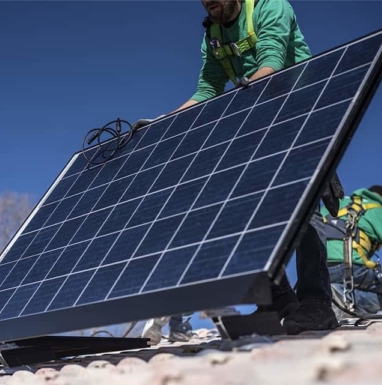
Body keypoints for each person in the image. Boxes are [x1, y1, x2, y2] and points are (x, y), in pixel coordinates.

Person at [140, 0, 340, 342]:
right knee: (251, 210)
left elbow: (272, 63)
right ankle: (277, 300)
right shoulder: (213, 35)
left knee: (304, 211)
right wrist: (167, 124)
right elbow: (208, 89)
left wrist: (239, 108)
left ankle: (317, 302)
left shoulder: (270, 7)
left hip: (301, 115)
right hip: (260, 123)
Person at [323, 185, 382, 316]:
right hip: (351, 268)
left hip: (319, 270)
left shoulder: (331, 207)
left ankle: (324, 296)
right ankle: (340, 299)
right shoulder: (378, 209)